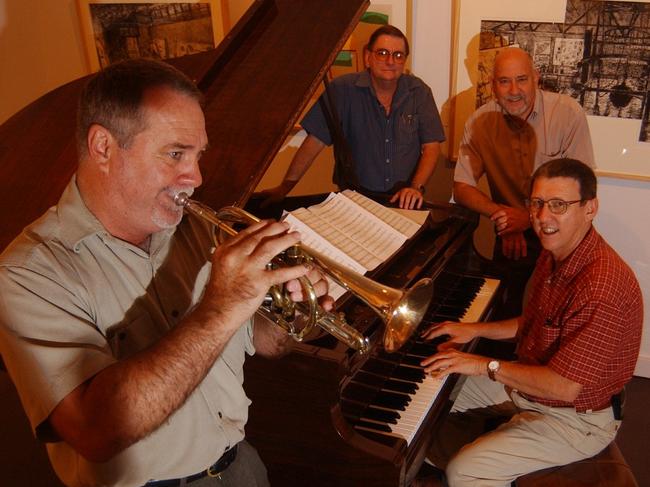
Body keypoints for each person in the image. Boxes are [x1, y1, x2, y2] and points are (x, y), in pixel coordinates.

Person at [0, 59, 332, 487]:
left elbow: (264, 342)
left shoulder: (199, 227)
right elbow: (96, 431)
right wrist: (223, 303)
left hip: (241, 467)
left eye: (198, 155)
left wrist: (293, 312)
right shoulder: (27, 274)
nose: (195, 177)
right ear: (103, 147)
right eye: (176, 153)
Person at [416, 158, 642, 487]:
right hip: (534, 391)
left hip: (579, 418)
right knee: (430, 391)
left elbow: (564, 386)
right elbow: (535, 323)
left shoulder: (601, 286)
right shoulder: (556, 250)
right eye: (536, 203)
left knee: (465, 472)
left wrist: (482, 365)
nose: (542, 218)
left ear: (590, 208)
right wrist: (472, 329)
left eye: (558, 205)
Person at [453, 47, 595, 316]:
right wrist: (504, 217)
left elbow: (582, 191)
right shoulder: (479, 122)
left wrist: (528, 218)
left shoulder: (567, 114)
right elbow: (461, 188)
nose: (513, 90)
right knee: (503, 309)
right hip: (510, 235)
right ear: (493, 85)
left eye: (522, 79)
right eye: (504, 81)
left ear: (536, 78)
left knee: (556, 316)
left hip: (564, 233)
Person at [259, 24, 445, 210]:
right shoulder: (342, 90)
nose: (390, 61)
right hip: (354, 201)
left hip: (404, 201)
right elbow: (314, 142)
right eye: (382, 53)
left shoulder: (419, 92)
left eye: (398, 55)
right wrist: (284, 188)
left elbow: (431, 147)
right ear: (367, 57)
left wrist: (415, 187)